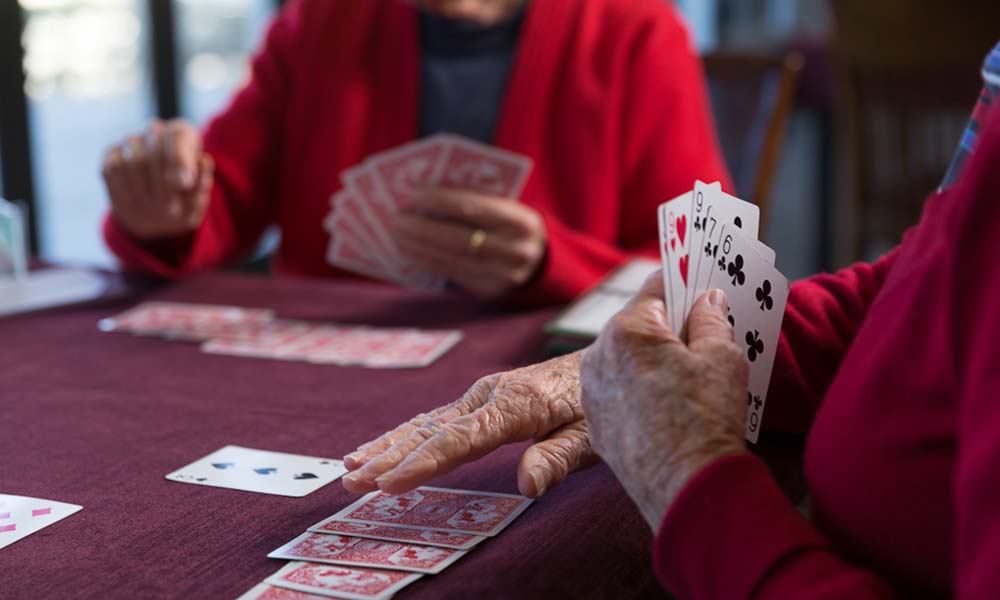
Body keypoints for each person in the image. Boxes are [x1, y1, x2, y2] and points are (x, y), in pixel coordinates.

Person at [342, 44, 1000, 598]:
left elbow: (668, 245)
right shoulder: (326, 22)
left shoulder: (632, 27)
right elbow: (919, 291)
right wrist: (622, 370)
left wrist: (695, 484)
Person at [100, 0, 730, 305]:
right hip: (317, 383)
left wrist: (548, 262)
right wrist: (162, 216)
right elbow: (215, 205)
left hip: (541, 392)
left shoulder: (638, 34)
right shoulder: (318, 23)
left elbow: (705, 274)